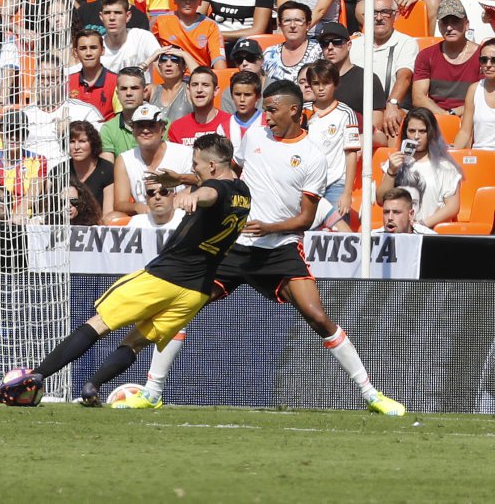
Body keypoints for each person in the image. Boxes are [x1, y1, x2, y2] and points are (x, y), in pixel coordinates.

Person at [125, 80, 406, 415]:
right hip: (236, 246)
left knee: (318, 317)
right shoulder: (255, 135)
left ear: (293, 111)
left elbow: (305, 219)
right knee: (181, 310)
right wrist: (186, 180)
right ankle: (152, 390)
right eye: (265, 109)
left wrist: (269, 227)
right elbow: (232, 176)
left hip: (280, 249)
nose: (266, 115)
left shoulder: (313, 157)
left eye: (272, 109)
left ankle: (371, 394)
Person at [0, 134, 250, 407]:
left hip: (164, 277)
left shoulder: (211, 190)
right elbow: (216, 185)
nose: (194, 168)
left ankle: (36, 376)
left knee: (100, 323)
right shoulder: (243, 192)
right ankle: (93, 386)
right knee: (136, 343)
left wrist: (193, 198)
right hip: (196, 291)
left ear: (211, 166)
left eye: (196, 164)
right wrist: (183, 180)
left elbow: (209, 192)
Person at [348, 0, 418, 142]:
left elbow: (404, 77)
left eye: (385, 12)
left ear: (396, 15)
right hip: (357, 110)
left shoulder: (406, 42)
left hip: (390, 108)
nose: (379, 18)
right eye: (373, 13)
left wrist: (392, 104)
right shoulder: (354, 45)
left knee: (395, 121)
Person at [377, 107, 462, 227]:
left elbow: (452, 207)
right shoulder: (394, 162)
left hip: (430, 233)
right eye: (412, 131)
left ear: (431, 132)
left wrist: (421, 225)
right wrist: (391, 172)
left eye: (422, 131)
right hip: (398, 231)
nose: (416, 136)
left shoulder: (445, 167)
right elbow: (381, 200)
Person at [113, 103, 192, 217]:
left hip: (180, 215)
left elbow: (201, 182)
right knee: (112, 218)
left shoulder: (185, 153)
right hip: (145, 217)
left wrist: (183, 187)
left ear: (162, 130)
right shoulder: (125, 159)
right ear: (133, 130)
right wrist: (137, 207)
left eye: (151, 125)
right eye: (140, 125)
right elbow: (120, 204)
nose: (145, 130)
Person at [23, 55, 103, 168]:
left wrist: (67, 134)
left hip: (70, 179)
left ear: (63, 80)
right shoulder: (24, 115)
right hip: (32, 180)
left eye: (51, 78)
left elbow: (99, 150)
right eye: (41, 78)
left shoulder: (85, 112)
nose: (46, 83)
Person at [304, 59, 360, 218]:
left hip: (335, 184)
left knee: (337, 235)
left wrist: (347, 193)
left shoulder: (346, 113)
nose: (321, 88)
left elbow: (351, 154)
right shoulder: (302, 112)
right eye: (315, 83)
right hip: (307, 184)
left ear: (335, 84)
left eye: (326, 83)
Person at [412, 0, 481, 117]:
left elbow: (485, 97)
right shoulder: (426, 55)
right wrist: (445, 117)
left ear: (466, 24)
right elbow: (418, 98)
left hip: (472, 115)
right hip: (436, 117)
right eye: (445, 22)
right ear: (439, 25)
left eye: (455, 21)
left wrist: (453, 113)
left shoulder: (483, 56)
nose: (449, 28)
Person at [316, 22, 386, 137]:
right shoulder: (316, 80)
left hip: (356, 142)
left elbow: (375, 125)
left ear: (348, 45)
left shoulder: (367, 79)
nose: (330, 47)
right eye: (324, 43)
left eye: (337, 42)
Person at [151, 0, 226, 70]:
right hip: (169, 77)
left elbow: (219, 64)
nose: (187, 2)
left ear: (200, 0)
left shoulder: (210, 26)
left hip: (200, 78)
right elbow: (149, 53)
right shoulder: (160, 21)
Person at [54, 119, 113, 214]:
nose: (76, 147)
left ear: (92, 143)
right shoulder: (59, 171)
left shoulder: (107, 169)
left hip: (97, 226)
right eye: (72, 141)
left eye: (82, 141)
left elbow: (108, 213)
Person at [98, 0, 161, 77]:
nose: (112, 18)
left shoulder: (143, 38)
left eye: (117, 13)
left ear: (127, 16)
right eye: (107, 13)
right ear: (101, 17)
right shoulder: (95, 46)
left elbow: (163, 70)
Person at [167, 67, 231, 146]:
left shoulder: (231, 124)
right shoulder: (177, 128)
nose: (199, 90)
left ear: (215, 91)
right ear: (188, 90)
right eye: (195, 85)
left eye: (205, 85)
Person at [262, 1, 323, 83]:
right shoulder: (269, 53)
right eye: (287, 20)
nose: (292, 25)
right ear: (280, 25)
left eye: (298, 20)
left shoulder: (319, 51)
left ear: (308, 25)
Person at [68, 28, 118, 120]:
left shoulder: (116, 82)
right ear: (75, 53)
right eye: (83, 48)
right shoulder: (67, 82)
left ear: (102, 51)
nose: (88, 53)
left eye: (93, 48)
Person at [101, 66, 148, 162]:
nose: (128, 93)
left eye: (134, 88)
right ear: (117, 94)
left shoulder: (161, 123)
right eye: (123, 89)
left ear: (144, 92)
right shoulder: (108, 129)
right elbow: (108, 169)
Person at [454, 37, 495, 149]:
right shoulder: (474, 89)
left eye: (494, 60)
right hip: (480, 157)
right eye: (483, 60)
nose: (488, 64)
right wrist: (452, 153)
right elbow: (465, 132)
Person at [146, 46, 197, 124]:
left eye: (174, 60)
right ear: (159, 66)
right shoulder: (152, 90)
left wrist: (185, 55)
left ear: (184, 67)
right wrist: (149, 60)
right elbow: (128, 83)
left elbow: (204, 78)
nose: (168, 64)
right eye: (164, 60)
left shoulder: (189, 90)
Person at [220, 37, 272, 113]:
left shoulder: (275, 89)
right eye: (239, 60)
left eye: (250, 58)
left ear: (262, 60)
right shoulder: (229, 93)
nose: (244, 63)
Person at [373, 187, 438, 234]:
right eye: (386, 212)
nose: (390, 218)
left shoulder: (429, 238)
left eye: (396, 212)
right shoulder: (371, 239)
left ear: (411, 214)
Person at [226, 70, 266, 144]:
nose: (242, 99)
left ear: (258, 97)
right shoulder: (223, 128)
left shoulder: (268, 124)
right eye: (237, 94)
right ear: (231, 95)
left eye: (247, 95)